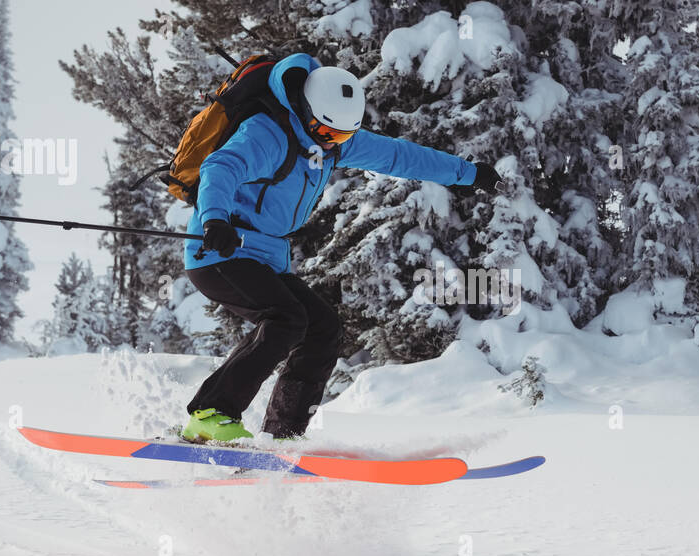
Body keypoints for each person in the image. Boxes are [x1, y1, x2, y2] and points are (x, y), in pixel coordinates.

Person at [180, 52, 501, 443]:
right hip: (219, 250)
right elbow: (220, 167)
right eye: (327, 132)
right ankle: (210, 414)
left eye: (343, 136)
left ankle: (283, 434)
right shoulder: (267, 133)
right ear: (304, 109)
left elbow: (397, 155)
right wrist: (215, 218)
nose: (332, 142)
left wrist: (466, 174)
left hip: (264, 256)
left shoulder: (329, 142)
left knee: (322, 328)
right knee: (285, 318)